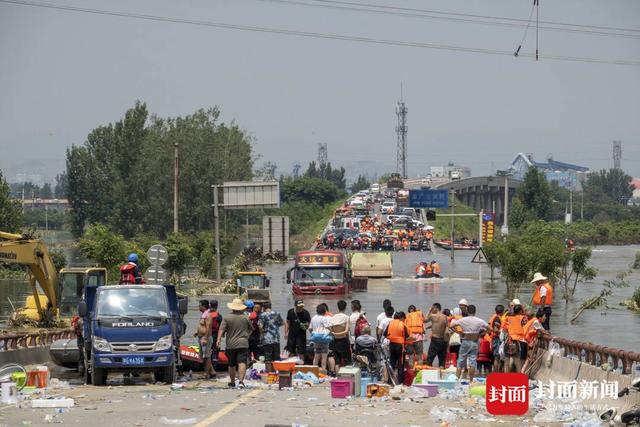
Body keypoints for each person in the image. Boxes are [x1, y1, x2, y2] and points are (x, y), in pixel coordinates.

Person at [217, 298, 253, 388]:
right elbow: (251, 329)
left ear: (232, 307)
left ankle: (232, 382)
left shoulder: (227, 317)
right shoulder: (246, 317)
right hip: (243, 343)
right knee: (242, 362)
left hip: (231, 344)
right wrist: (246, 336)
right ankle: (241, 381)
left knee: (231, 364)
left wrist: (218, 340)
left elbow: (221, 329)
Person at [449, 304, 488, 381]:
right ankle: (471, 380)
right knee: (472, 362)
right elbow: (490, 329)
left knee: (460, 361)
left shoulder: (463, 320)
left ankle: (457, 380)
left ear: (467, 311)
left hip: (465, 340)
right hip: (475, 341)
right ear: (475, 311)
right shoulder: (479, 320)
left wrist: (459, 332)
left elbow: (451, 326)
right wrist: (480, 334)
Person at [258, 302, 284, 373]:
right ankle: (276, 373)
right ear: (270, 307)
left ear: (263, 308)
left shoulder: (262, 315)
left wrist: (263, 332)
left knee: (268, 358)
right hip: (276, 338)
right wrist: (274, 326)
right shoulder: (277, 313)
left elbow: (260, 326)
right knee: (276, 357)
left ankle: (269, 374)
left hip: (267, 339)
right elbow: (282, 323)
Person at [503, 303, 527, 373]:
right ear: (520, 311)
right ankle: (518, 380)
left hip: (508, 341)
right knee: (517, 362)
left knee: (506, 362)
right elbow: (526, 324)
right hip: (516, 342)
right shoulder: (522, 318)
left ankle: (505, 380)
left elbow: (504, 329)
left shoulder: (508, 318)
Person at [384, 311, 408, 384]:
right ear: (401, 318)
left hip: (392, 345)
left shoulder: (390, 323)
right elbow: (407, 336)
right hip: (400, 346)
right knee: (400, 364)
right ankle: (400, 382)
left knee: (392, 363)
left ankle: (390, 381)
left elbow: (385, 334)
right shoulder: (402, 324)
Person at [521, 309, 547, 375]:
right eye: (544, 316)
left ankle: (523, 373)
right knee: (529, 359)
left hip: (527, 340)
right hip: (526, 341)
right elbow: (542, 331)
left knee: (528, 359)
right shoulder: (536, 321)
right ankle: (523, 374)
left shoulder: (536, 321)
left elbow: (542, 330)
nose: (545, 318)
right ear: (540, 317)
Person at [329, 300, 351, 373]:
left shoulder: (333, 317)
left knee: (337, 362)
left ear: (337, 307)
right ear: (345, 307)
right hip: (343, 341)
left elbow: (331, 330)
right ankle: (345, 377)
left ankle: (337, 377)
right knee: (346, 361)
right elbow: (346, 331)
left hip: (335, 341)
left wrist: (335, 334)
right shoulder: (346, 317)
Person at [425, 303, 449, 368]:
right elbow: (447, 332)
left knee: (429, 359)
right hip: (443, 341)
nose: (432, 309)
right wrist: (447, 343)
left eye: (432, 308)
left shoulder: (433, 316)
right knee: (442, 361)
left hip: (435, 340)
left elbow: (424, 320)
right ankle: (441, 376)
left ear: (436, 308)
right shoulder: (445, 317)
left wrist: (429, 311)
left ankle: (428, 375)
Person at [196, 300, 214, 379]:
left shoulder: (208, 315)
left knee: (207, 356)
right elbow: (202, 326)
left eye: (200, 305)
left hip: (205, 338)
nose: (199, 307)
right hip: (201, 337)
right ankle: (212, 371)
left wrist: (205, 338)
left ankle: (206, 374)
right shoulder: (203, 314)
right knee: (204, 357)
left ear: (203, 306)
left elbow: (208, 327)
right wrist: (197, 333)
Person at [309, 304, 331, 371]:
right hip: (323, 339)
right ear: (324, 311)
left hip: (316, 339)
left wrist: (314, 334)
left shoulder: (313, 318)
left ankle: (313, 371)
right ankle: (323, 371)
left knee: (316, 356)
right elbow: (327, 327)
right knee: (324, 357)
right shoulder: (323, 318)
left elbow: (310, 329)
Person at [488, 304, 504, 373]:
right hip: (496, 339)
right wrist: (501, 331)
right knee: (497, 357)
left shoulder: (495, 317)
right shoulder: (497, 318)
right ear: (502, 312)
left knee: (497, 357)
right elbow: (495, 329)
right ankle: (496, 373)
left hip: (494, 339)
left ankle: (495, 372)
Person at [209, 299, 223, 373]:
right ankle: (214, 366)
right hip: (216, 334)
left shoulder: (207, 314)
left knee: (209, 350)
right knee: (215, 349)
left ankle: (209, 367)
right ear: (217, 306)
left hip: (208, 334)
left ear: (210, 305)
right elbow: (221, 327)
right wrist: (221, 337)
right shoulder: (219, 316)